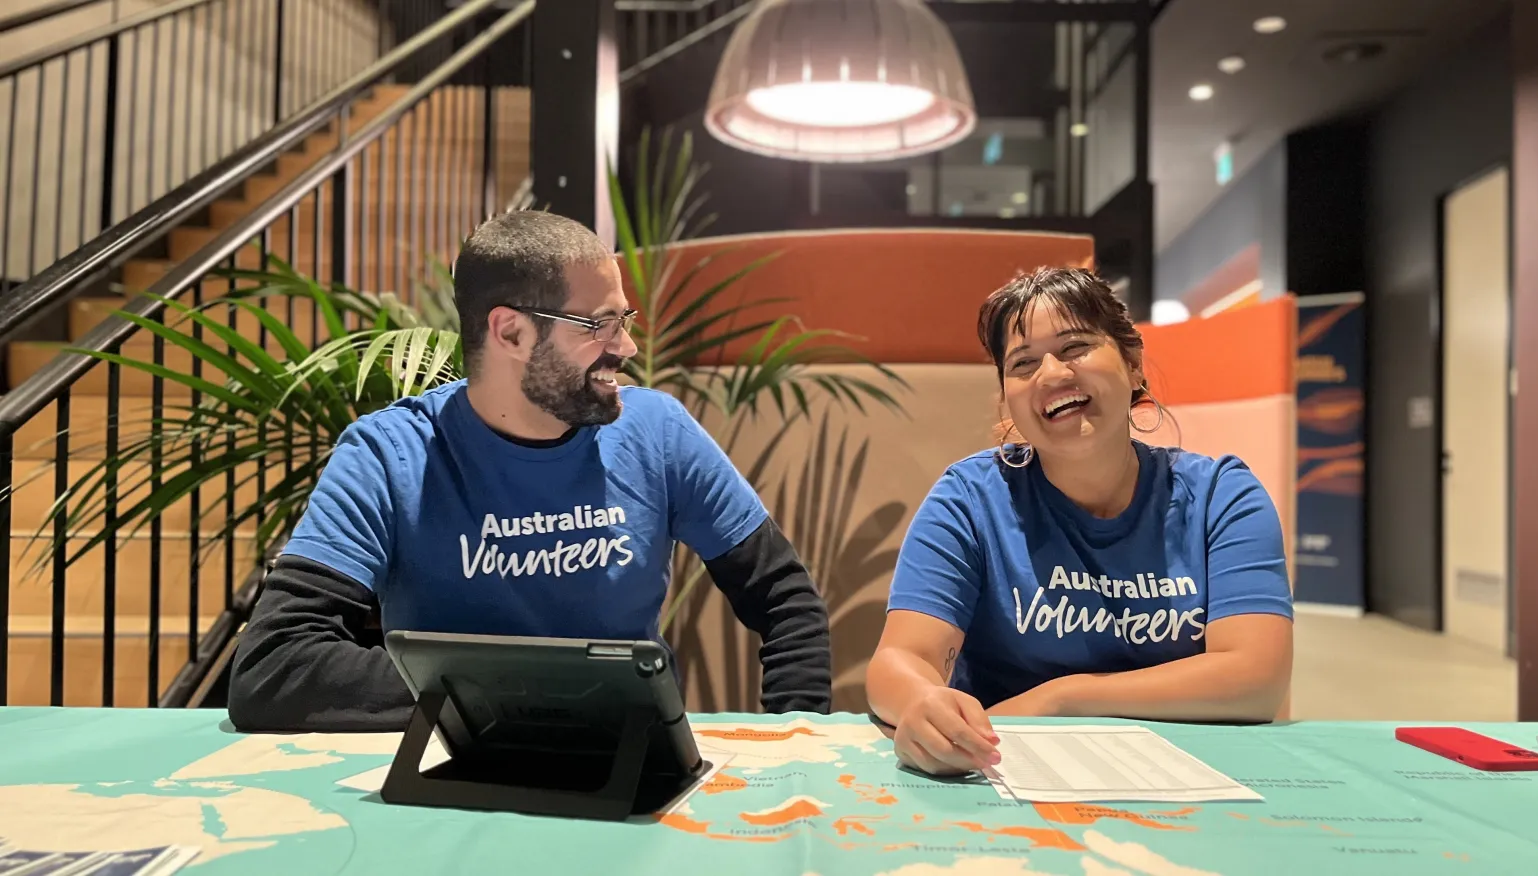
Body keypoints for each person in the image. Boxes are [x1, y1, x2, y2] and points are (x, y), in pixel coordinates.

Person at [228, 210, 832, 732]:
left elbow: (785, 602)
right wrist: (535, 694)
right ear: (511, 331)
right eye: (599, 324)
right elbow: (276, 663)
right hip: (450, 768)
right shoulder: (388, 455)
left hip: (633, 767)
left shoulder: (657, 430)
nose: (626, 347)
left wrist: (795, 748)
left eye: (625, 318)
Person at [864, 266, 1293, 776]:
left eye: (1074, 349)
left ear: (1133, 364)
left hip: (1194, 775)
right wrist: (921, 703)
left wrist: (1063, 698)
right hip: (1005, 774)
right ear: (1006, 398)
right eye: (1023, 363)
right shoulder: (969, 500)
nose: (1052, 375)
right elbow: (898, 661)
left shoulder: (1223, 496)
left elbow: (1257, 678)